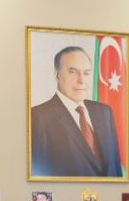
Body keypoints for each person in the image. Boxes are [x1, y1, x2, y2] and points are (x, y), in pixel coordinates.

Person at [31, 46, 123, 177]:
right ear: (57, 75)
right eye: (73, 72)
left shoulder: (105, 112)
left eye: (86, 73)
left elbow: (116, 170)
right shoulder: (38, 117)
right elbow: (38, 176)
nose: (81, 80)